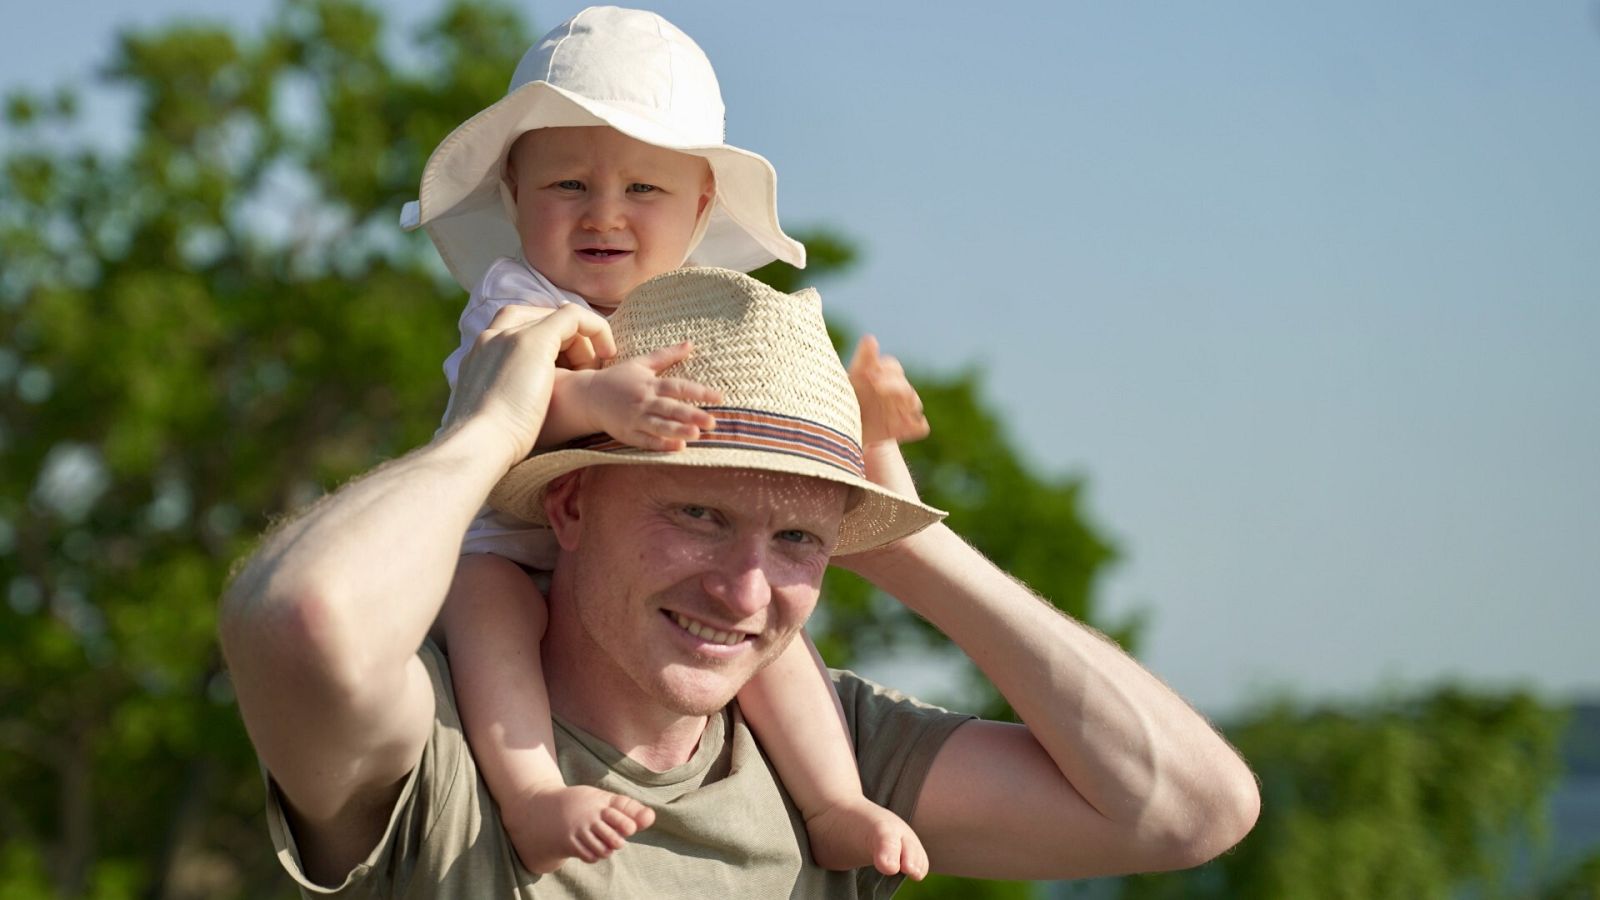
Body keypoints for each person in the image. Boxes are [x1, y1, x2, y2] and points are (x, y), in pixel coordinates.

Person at [219, 266, 1260, 897]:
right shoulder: (443, 754)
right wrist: (488, 433)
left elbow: (1189, 811)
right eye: (698, 516)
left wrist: (895, 536)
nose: (744, 591)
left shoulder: (827, 758)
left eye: (798, 543)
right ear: (570, 506)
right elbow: (303, 622)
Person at [400, 6, 930, 878]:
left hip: (645, 558)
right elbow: (492, 410)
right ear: (513, 194)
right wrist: (590, 396)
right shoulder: (518, 296)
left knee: (762, 632)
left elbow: (762, 438)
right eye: (567, 186)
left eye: (643, 190)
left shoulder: (698, 311)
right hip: (509, 533)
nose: (603, 216)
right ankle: (531, 792)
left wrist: (858, 423)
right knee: (489, 603)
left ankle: (835, 800)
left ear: (701, 205)